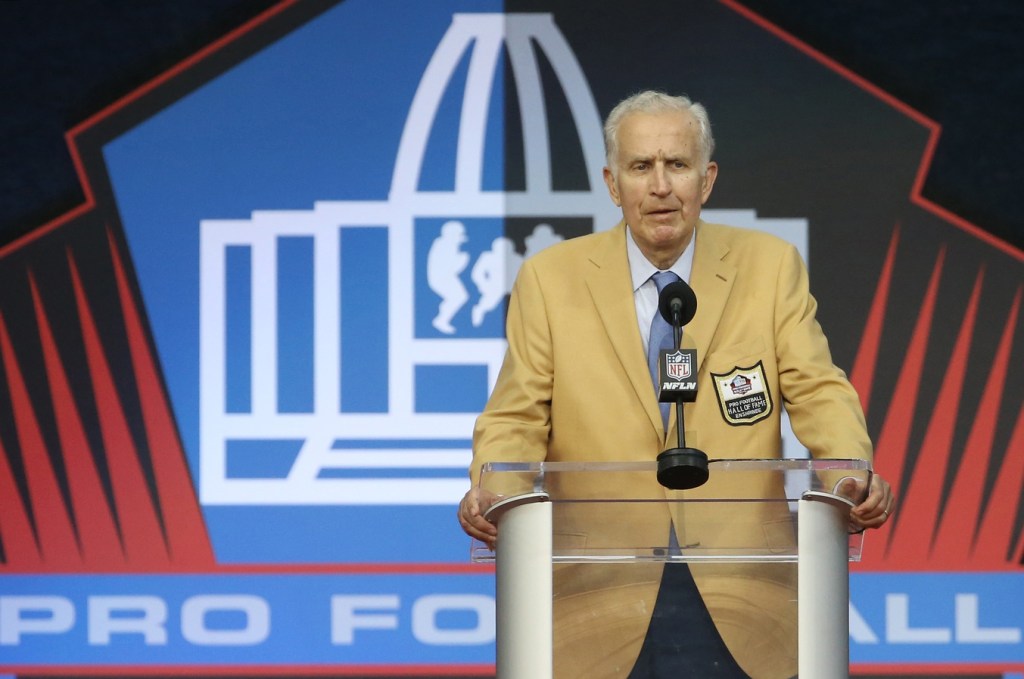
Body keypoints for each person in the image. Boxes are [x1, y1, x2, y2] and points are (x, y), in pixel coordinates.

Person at [457, 90, 894, 678]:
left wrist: (847, 475)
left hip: (743, 602)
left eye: (677, 165)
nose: (660, 186)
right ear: (613, 184)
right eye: (641, 167)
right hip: (595, 600)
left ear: (707, 179)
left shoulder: (768, 267)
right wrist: (499, 495)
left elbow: (819, 390)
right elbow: (516, 418)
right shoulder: (551, 279)